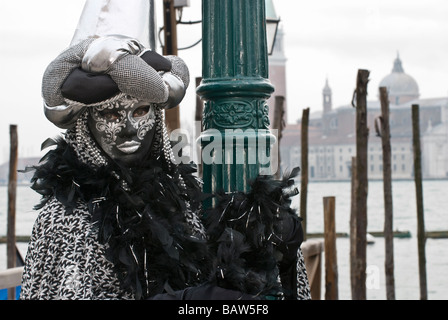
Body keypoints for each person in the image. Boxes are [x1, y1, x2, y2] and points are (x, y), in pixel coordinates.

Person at [19, 24, 310, 302]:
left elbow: (229, 274)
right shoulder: (64, 218)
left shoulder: (182, 196)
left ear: (157, 119)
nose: (129, 130)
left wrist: (272, 241)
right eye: (110, 115)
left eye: (141, 111)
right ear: (85, 125)